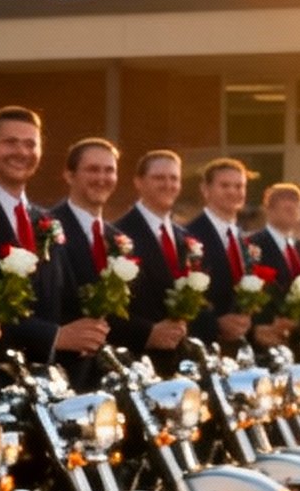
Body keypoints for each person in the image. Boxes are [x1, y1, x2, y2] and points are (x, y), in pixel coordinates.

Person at [0, 105, 109, 409]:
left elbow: (61, 299)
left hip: (44, 392)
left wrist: (88, 330)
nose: (21, 151)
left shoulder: (44, 222)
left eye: (30, 144)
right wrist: (54, 337)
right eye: (10, 142)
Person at [46, 136, 124, 388]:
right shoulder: (47, 228)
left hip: (106, 378)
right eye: (92, 169)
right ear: (69, 175)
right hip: (60, 374)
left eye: (109, 170)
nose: (102, 178)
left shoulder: (118, 240)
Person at [111, 149, 197, 366]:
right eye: (159, 178)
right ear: (139, 182)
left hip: (181, 360)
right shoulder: (117, 235)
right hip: (138, 359)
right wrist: (148, 332)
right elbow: (109, 308)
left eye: (174, 178)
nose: (168, 185)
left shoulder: (185, 238)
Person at [182, 156, 255, 350]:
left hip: (238, 347)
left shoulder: (243, 240)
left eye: (239, 186)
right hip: (202, 345)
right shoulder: (189, 236)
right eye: (225, 186)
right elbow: (183, 295)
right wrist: (216, 323)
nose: (233, 192)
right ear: (205, 190)